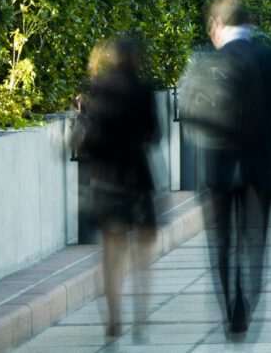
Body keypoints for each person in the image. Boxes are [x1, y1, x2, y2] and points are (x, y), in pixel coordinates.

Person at [179, 0, 271, 335]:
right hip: (261, 168)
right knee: (255, 241)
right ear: (250, 24)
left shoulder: (203, 63)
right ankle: (247, 302)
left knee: (222, 243)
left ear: (217, 25)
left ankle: (230, 307)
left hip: (218, 170)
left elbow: (189, 115)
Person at [75, 36, 159, 339]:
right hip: (137, 177)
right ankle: (140, 320)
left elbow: (89, 138)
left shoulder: (98, 89)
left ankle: (114, 318)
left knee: (111, 253)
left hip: (105, 178)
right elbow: (153, 134)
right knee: (142, 254)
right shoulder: (143, 89)